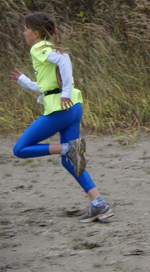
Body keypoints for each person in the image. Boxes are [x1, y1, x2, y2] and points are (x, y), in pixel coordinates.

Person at [10, 12, 114, 223]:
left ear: (36, 33)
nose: (23, 33)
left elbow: (64, 60)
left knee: (19, 150)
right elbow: (46, 88)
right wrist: (25, 81)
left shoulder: (38, 48)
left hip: (61, 109)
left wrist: (66, 91)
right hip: (73, 107)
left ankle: (68, 148)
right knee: (70, 162)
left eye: (26, 29)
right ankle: (99, 204)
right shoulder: (48, 48)